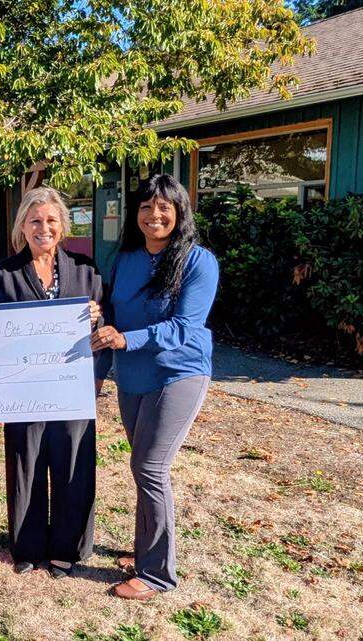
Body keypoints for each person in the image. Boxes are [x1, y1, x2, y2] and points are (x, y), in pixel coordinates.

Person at [92, 174, 219, 600]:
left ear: (180, 211)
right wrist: (99, 325)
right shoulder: (125, 259)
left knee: (150, 467)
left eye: (165, 206)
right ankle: (146, 551)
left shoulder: (198, 261)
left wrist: (128, 338)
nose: (155, 215)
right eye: (146, 207)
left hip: (177, 374)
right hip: (132, 377)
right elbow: (111, 312)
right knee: (141, 465)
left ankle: (157, 575)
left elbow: (186, 326)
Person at [0, 187, 104, 577]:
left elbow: (103, 329)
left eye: (51, 220)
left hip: (71, 387)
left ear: (63, 225)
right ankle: (28, 545)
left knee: (73, 461)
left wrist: (96, 317)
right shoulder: (4, 274)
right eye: (35, 220)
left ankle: (67, 548)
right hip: (24, 388)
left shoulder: (86, 271)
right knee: (27, 460)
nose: (43, 227)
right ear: (22, 225)